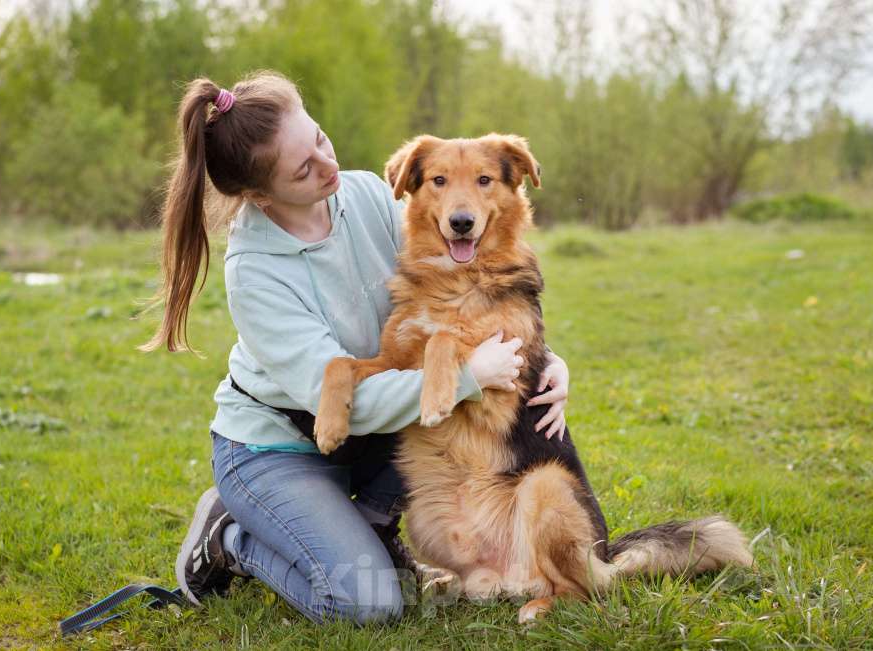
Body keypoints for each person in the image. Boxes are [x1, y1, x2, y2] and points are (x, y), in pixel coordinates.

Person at [142, 70, 572, 625]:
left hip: (371, 430)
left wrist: (540, 357)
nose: (328, 167)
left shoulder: (366, 192)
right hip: (280, 446)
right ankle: (228, 539)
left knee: (485, 419)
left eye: (319, 140)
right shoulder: (254, 271)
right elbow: (353, 402)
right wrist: (469, 376)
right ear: (257, 193)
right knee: (368, 604)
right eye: (303, 168)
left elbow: (468, 285)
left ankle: (368, 525)